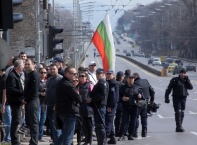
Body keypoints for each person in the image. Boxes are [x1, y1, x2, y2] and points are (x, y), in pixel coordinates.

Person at [55, 66, 82, 145]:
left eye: (76, 74)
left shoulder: (61, 82)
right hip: (69, 112)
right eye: (73, 74)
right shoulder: (67, 84)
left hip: (63, 111)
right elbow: (78, 99)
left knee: (65, 134)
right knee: (68, 137)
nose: (75, 75)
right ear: (66, 74)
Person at [118, 74, 144, 141]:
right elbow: (118, 97)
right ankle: (122, 135)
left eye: (132, 79)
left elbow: (142, 97)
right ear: (127, 79)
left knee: (133, 121)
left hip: (134, 107)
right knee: (124, 121)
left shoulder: (137, 87)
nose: (131, 80)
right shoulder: (123, 87)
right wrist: (122, 98)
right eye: (129, 78)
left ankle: (130, 135)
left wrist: (140, 96)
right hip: (125, 106)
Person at [87, 68, 109, 145]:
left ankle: (102, 141)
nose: (98, 75)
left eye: (99, 74)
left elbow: (102, 96)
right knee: (98, 125)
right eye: (97, 74)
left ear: (103, 74)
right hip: (97, 106)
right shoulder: (99, 82)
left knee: (100, 125)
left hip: (100, 106)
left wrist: (92, 99)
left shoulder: (103, 83)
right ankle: (100, 141)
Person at [6, 60, 24, 145]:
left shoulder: (17, 75)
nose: (23, 67)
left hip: (18, 101)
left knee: (17, 120)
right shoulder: (12, 75)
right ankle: (14, 140)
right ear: (19, 67)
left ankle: (15, 139)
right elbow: (11, 89)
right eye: (23, 65)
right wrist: (22, 92)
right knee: (15, 120)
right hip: (15, 101)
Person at [132, 72, 155, 137]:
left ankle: (135, 132)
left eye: (133, 77)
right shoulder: (146, 81)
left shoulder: (135, 83)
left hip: (137, 102)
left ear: (135, 77)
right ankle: (144, 132)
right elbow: (152, 92)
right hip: (145, 102)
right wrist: (152, 101)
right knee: (144, 117)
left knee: (136, 117)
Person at [23, 59, 40, 145]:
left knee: (34, 122)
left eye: (28, 64)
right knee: (30, 122)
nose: (26, 66)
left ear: (33, 65)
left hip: (33, 101)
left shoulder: (34, 74)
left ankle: (34, 141)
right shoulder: (28, 74)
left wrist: (25, 99)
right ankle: (32, 140)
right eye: (25, 64)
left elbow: (34, 90)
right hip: (29, 101)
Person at [45, 64, 63, 144]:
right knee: (52, 124)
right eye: (50, 69)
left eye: (54, 69)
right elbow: (47, 92)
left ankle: (58, 142)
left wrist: (57, 104)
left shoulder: (60, 79)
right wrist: (45, 103)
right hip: (49, 104)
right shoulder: (49, 79)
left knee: (56, 125)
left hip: (57, 106)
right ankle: (56, 140)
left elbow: (61, 93)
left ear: (57, 69)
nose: (52, 70)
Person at [78, 72, 94, 145]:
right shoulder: (80, 85)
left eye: (83, 76)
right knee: (84, 125)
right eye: (80, 76)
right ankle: (86, 139)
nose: (81, 77)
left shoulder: (90, 85)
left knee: (89, 125)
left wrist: (91, 99)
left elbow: (93, 95)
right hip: (82, 107)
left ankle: (89, 141)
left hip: (89, 108)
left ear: (86, 77)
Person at [105, 70, 119, 144]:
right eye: (107, 74)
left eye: (110, 74)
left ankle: (105, 137)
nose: (108, 75)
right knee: (110, 121)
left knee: (108, 121)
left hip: (111, 106)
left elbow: (114, 97)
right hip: (110, 105)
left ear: (113, 75)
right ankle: (112, 138)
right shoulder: (109, 82)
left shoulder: (113, 83)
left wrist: (110, 106)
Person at [0, 68, 11, 143]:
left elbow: (5, 93)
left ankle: (8, 138)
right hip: (3, 103)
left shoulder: (4, 78)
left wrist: (3, 105)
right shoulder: (2, 78)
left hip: (5, 104)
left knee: (7, 121)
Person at [38, 68, 48, 142]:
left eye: (44, 72)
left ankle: (40, 136)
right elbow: (34, 92)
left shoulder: (47, 82)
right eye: (41, 72)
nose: (43, 74)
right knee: (37, 120)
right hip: (38, 103)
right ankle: (36, 135)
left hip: (45, 103)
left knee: (42, 120)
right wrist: (41, 93)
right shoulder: (37, 82)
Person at [114, 71, 124, 137]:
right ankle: (119, 132)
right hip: (120, 103)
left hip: (114, 103)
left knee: (116, 118)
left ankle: (116, 131)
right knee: (120, 118)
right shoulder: (122, 85)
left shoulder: (114, 83)